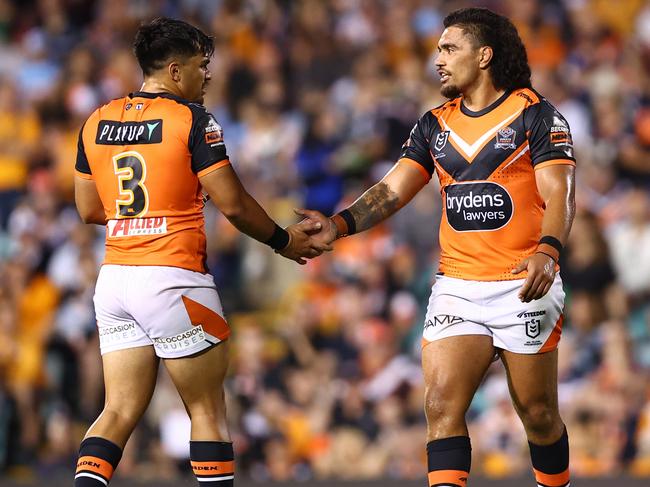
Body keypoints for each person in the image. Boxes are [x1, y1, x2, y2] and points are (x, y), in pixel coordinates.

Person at [302, 8, 575, 487]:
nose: (439, 59)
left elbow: (560, 192)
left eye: (450, 48)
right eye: (438, 50)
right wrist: (339, 225)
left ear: (484, 55)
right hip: (458, 288)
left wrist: (548, 250)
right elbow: (390, 191)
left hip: (524, 285)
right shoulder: (433, 125)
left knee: (538, 415)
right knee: (440, 404)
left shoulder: (537, 115)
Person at [72, 17, 328, 487]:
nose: (207, 76)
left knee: (118, 409)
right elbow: (232, 204)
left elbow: (88, 208)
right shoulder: (192, 120)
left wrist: (140, 215)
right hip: (173, 276)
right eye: (200, 66)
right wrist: (284, 240)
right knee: (207, 409)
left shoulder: (97, 118)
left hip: (115, 280)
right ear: (174, 71)